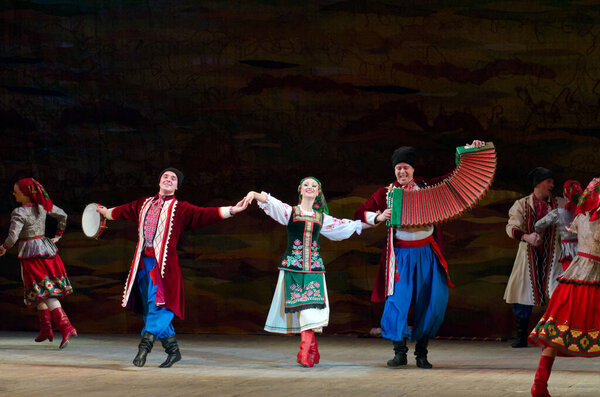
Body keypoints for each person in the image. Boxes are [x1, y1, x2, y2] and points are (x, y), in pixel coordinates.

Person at [96, 168, 248, 368]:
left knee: (160, 305)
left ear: (177, 186)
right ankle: (173, 351)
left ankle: (145, 347)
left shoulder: (181, 208)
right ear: (159, 181)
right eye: (165, 176)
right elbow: (118, 212)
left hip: (164, 268)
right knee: (148, 308)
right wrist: (101, 211)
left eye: (173, 178)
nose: (168, 179)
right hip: (143, 265)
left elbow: (204, 214)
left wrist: (231, 210)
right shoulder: (143, 204)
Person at [354, 140, 485, 369]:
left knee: (431, 300)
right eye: (398, 168)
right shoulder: (386, 193)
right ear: (394, 171)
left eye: (406, 167)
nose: (402, 171)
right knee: (397, 301)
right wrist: (378, 217)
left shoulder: (428, 188)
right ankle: (399, 352)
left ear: (413, 169)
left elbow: (455, 178)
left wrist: (473, 151)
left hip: (427, 253)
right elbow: (360, 212)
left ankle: (422, 353)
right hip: (401, 256)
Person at [243, 177, 365, 367]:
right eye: (306, 185)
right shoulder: (291, 212)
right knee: (304, 312)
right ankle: (311, 352)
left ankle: (306, 352)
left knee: (312, 311)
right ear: (300, 190)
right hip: (293, 268)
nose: (310, 187)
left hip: (314, 269)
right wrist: (253, 194)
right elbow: (271, 202)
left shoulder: (321, 217)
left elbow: (346, 226)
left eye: (314, 186)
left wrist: (377, 219)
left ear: (318, 193)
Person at [528, 178, 600, 397]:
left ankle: (539, 384)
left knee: (557, 329)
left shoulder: (581, 216)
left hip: (574, 275)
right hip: (593, 277)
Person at [0, 178, 77, 349]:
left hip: (31, 254)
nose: (13, 194)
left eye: (16, 191)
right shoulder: (43, 206)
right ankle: (46, 329)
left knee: (45, 292)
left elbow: (13, 237)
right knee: (38, 290)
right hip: (46, 250)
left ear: (26, 194)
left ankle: (65, 326)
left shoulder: (19, 212)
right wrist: (58, 234)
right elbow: (62, 214)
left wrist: (4, 247)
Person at [504, 167, 563, 348]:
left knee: (557, 293)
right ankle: (522, 337)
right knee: (524, 292)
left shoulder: (559, 203)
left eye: (552, 182)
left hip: (553, 254)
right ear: (538, 183)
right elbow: (512, 226)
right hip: (528, 255)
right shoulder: (522, 204)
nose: (552, 185)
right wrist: (527, 237)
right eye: (549, 182)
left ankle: (555, 336)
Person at [534, 180, 582, 271]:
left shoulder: (558, 213)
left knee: (569, 279)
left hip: (569, 252)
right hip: (584, 250)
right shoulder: (586, 214)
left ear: (565, 195)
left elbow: (538, 225)